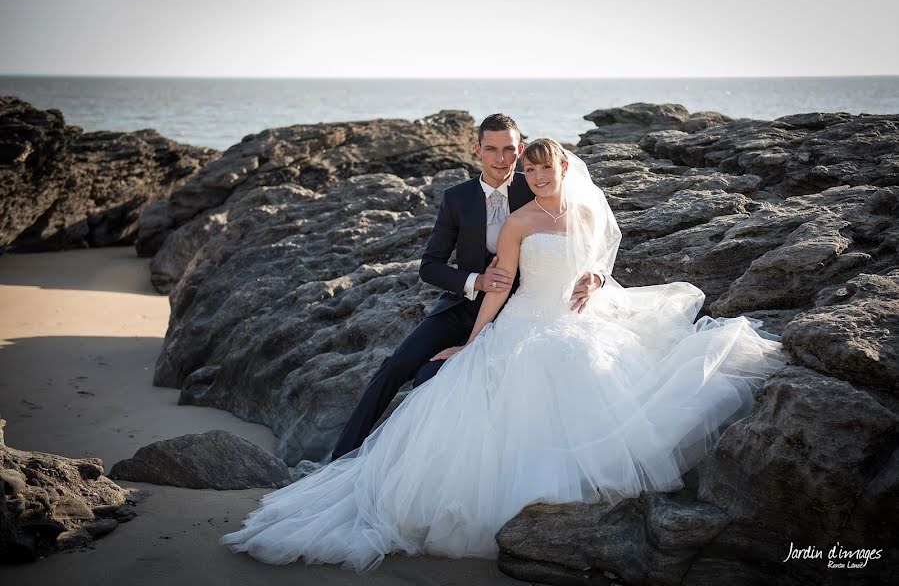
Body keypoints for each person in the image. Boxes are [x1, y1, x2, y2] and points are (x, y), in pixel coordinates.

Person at [220, 137, 786, 572]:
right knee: (420, 376)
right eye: (530, 167)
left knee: (597, 378)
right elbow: (499, 281)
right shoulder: (517, 219)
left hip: (573, 321)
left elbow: (602, 253)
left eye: (545, 166)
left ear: (564, 168)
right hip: (513, 320)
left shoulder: (588, 214)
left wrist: (593, 278)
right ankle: (352, 461)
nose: (537, 176)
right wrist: (473, 342)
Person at [329, 114, 604, 461]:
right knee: (395, 366)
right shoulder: (457, 198)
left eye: (508, 150)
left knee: (431, 378)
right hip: (461, 304)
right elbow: (430, 265)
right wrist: (477, 281)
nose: (500, 159)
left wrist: (596, 277)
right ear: (477, 150)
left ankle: (424, 461)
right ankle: (340, 458)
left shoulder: (536, 185)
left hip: (512, 311)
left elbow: (581, 244)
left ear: (520, 150)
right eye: (491, 149)